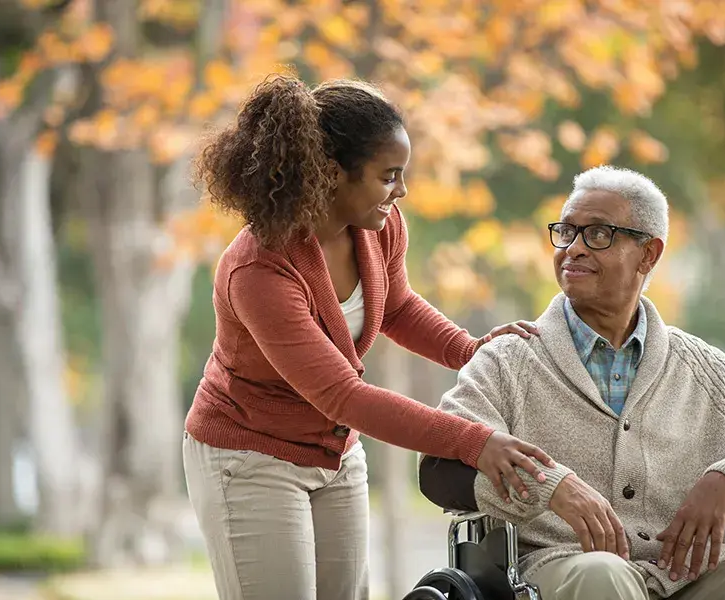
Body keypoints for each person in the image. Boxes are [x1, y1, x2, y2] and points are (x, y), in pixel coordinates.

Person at [181, 73, 555, 600]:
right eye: (389, 176)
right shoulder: (260, 270)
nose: (400, 191)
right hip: (250, 458)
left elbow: (396, 306)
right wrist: (474, 442)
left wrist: (472, 351)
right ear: (333, 174)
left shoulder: (380, 226)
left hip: (334, 453)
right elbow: (342, 395)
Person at [419, 165, 725, 599]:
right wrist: (550, 488)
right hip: (562, 570)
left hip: (691, 574)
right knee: (604, 575)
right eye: (567, 232)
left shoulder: (703, 367)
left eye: (598, 234)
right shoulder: (508, 360)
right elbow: (440, 466)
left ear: (649, 254)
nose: (573, 249)